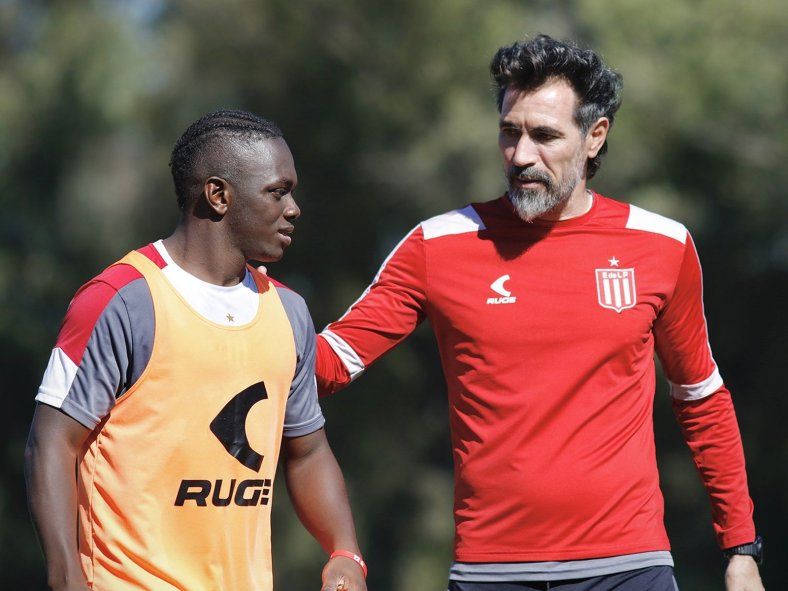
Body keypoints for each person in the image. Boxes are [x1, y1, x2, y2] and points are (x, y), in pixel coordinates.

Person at [314, 36, 763, 590]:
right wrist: (236, 296)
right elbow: (328, 366)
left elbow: (700, 398)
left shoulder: (662, 245)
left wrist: (740, 548)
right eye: (509, 132)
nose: (521, 155)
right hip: (488, 573)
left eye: (545, 136)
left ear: (595, 137)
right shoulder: (438, 243)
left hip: (629, 569)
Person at [25, 110, 367, 591]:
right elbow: (51, 443)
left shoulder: (288, 313)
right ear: (218, 195)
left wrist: (345, 551)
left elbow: (307, 452)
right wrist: (66, 579)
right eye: (277, 191)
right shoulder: (120, 299)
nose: (294, 208)